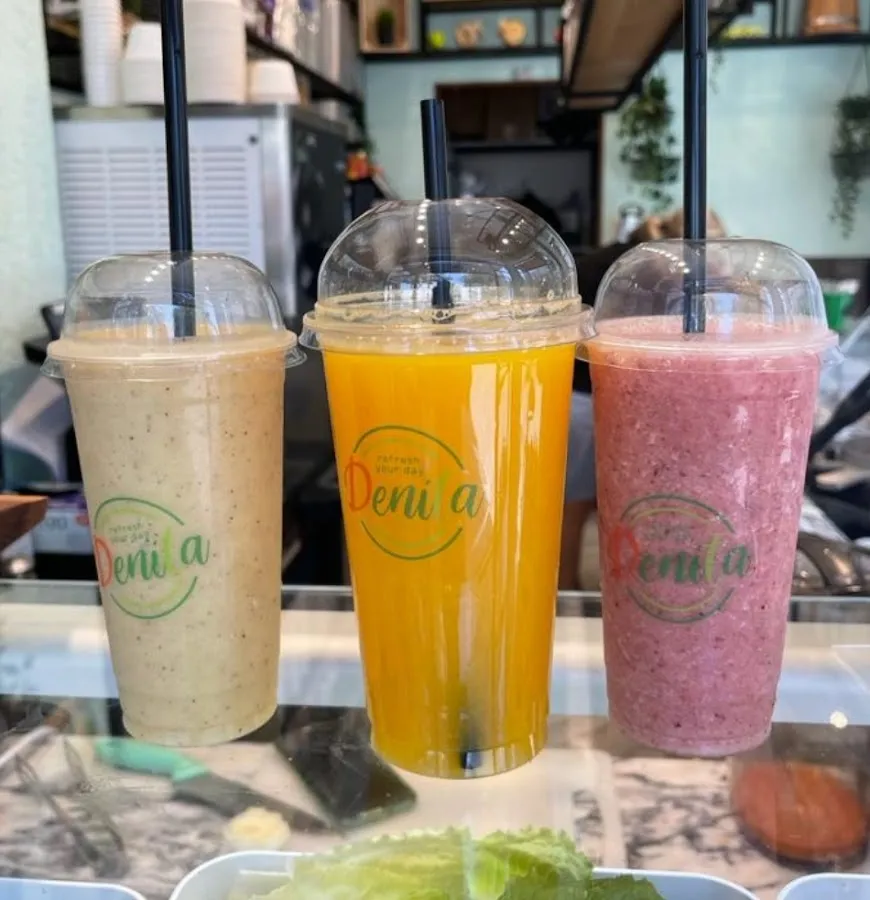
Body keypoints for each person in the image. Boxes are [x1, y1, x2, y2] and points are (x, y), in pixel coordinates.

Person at [559, 208, 726, 590]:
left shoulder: (623, 259)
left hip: (594, 395)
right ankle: (602, 590)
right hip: (595, 399)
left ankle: (573, 591)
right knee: (618, 503)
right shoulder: (653, 274)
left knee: (587, 506)